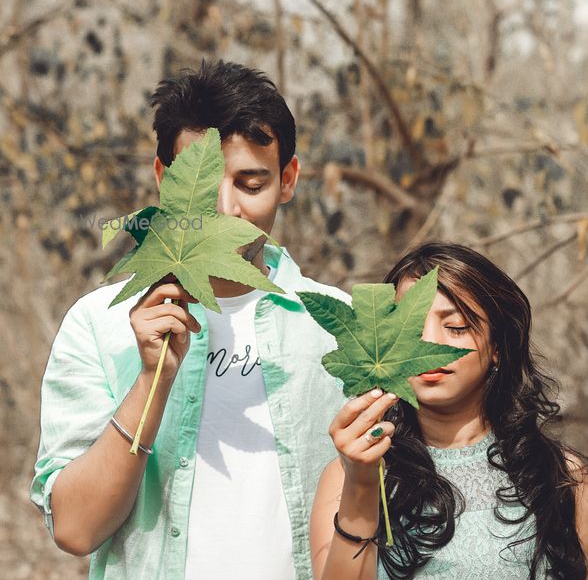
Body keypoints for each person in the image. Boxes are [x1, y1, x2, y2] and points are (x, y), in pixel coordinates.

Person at [30, 60, 351, 579]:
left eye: (251, 183)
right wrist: (151, 381)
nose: (226, 209)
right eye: (200, 189)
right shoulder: (99, 323)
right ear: (162, 180)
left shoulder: (339, 325)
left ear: (288, 180)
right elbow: (75, 529)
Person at [310, 242, 588, 579]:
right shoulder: (348, 475)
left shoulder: (560, 475)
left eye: (457, 326)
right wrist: (361, 486)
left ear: (497, 347)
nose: (431, 343)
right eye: (411, 328)